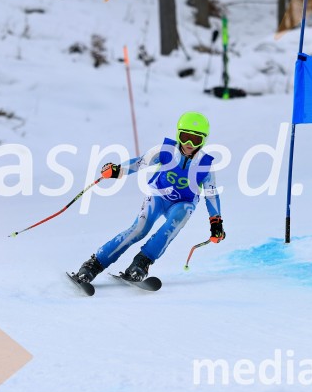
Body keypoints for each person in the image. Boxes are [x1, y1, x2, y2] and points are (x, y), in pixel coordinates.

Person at [74, 112, 225, 283]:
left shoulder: (205, 164)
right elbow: (139, 163)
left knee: (174, 224)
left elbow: (211, 194)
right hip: (158, 195)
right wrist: (118, 170)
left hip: (184, 202)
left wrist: (216, 222)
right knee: (140, 228)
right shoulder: (165, 150)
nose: (189, 144)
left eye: (196, 140)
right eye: (185, 137)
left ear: (203, 141)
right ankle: (94, 264)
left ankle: (141, 263)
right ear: (178, 135)